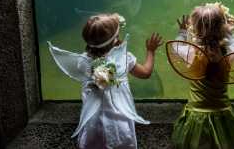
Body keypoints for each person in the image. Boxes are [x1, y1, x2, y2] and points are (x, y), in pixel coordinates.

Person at [48, 13, 163, 149]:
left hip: (93, 125)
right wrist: (151, 51)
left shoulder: (83, 62)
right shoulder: (124, 59)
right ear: (115, 39)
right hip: (120, 126)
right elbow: (146, 73)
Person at [169, 3, 234, 149]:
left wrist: (182, 32)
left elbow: (176, 46)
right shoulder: (228, 52)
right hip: (222, 112)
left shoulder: (190, 52)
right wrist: (229, 32)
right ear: (222, 28)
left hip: (196, 116)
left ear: (194, 29)